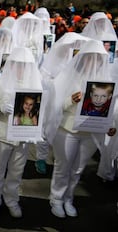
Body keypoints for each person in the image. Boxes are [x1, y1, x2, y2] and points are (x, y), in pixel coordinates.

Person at [44, 40, 115, 218]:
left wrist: (111, 126)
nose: (95, 61)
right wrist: (71, 100)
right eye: (91, 57)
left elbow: (110, 108)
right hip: (68, 130)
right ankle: (56, 199)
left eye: (99, 58)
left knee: (77, 169)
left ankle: (69, 198)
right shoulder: (67, 76)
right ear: (83, 58)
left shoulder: (106, 81)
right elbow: (53, 106)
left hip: (91, 132)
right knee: (63, 166)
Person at [0, 47, 44, 219]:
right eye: (18, 64)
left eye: (26, 65)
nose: (22, 68)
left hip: (22, 137)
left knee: (16, 173)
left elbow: (41, 110)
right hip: (1, 135)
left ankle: (11, 200)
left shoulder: (35, 85)